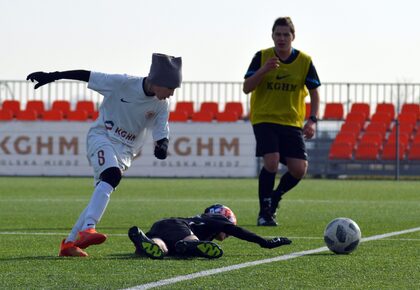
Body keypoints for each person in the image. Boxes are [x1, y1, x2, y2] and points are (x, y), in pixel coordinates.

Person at [27, 53, 182, 257]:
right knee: (111, 176)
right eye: (170, 88)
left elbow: (161, 132)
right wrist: (53, 76)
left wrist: (161, 146)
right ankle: (88, 229)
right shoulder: (123, 83)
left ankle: (70, 244)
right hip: (102, 136)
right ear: (157, 81)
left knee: (101, 191)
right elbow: (87, 75)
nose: (171, 94)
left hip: (126, 152)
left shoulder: (162, 105)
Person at [243, 17, 321, 226]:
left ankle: (276, 197)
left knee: (299, 169)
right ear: (272, 36)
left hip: (291, 122)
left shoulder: (304, 61)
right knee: (271, 161)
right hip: (264, 118)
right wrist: (264, 70)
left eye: (286, 34)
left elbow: (314, 93)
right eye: (278, 34)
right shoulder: (262, 57)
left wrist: (312, 120)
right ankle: (265, 211)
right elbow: (247, 87)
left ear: (293, 37)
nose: (282, 38)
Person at [128, 204, 292, 259]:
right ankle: (191, 246)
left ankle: (146, 243)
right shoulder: (216, 218)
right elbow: (240, 232)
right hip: (179, 226)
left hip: (161, 226)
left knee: (162, 249)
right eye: (227, 232)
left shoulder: (202, 220)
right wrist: (265, 242)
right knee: (192, 243)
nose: (227, 235)